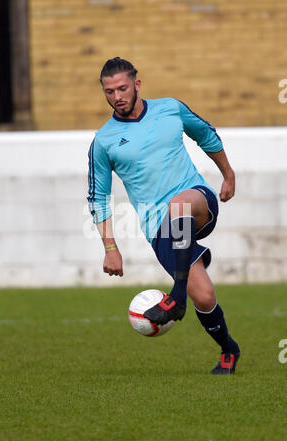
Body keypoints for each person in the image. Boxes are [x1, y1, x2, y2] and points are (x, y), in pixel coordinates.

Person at [88, 57, 240, 374]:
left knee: (179, 205)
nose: (117, 96)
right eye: (109, 91)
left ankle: (176, 297)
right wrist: (110, 248)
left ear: (137, 85)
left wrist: (227, 175)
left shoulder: (170, 108)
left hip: (197, 200)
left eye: (122, 88)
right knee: (206, 296)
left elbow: (205, 134)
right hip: (159, 229)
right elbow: (98, 197)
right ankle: (229, 349)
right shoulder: (103, 141)